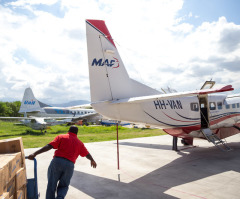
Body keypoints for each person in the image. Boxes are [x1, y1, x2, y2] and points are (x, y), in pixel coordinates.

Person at [28, 125, 97, 199]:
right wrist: (92, 160)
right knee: (64, 185)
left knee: (52, 184)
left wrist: (35, 153)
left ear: (68, 131)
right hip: (69, 165)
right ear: (77, 133)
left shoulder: (61, 137)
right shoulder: (80, 143)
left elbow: (49, 146)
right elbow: (87, 154)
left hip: (57, 162)